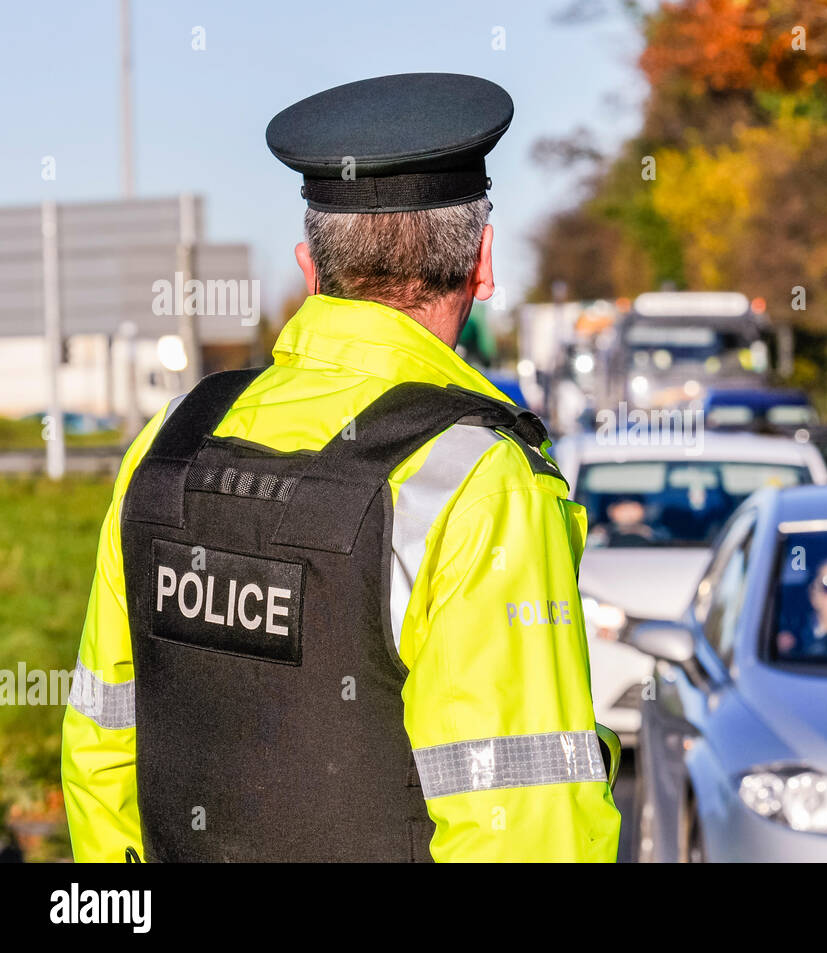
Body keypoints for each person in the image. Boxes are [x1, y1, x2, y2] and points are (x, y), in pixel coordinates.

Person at [61, 73, 620, 862]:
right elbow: (525, 825)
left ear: (311, 269)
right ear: (484, 263)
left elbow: (100, 751)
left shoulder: (173, 439)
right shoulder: (480, 482)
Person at [588, 496, 662, 547]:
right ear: (610, 510)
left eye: (634, 507)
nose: (628, 513)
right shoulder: (600, 534)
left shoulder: (656, 533)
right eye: (623, 508)